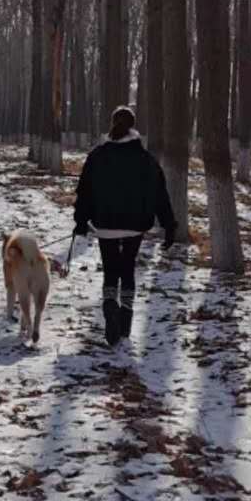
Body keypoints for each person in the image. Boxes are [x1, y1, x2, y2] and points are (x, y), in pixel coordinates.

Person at [72, 105, 177, 347]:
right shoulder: (145, 159)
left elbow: (84, 192)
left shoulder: (97, 156)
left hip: (105, 224)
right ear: (133, 126)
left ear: (112, 124)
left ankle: (110, 306)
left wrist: (81, 221)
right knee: (127, 268)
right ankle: (126, 319)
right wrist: (169, 226)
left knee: (110, 269)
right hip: (135, 225)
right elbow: (160, 195)